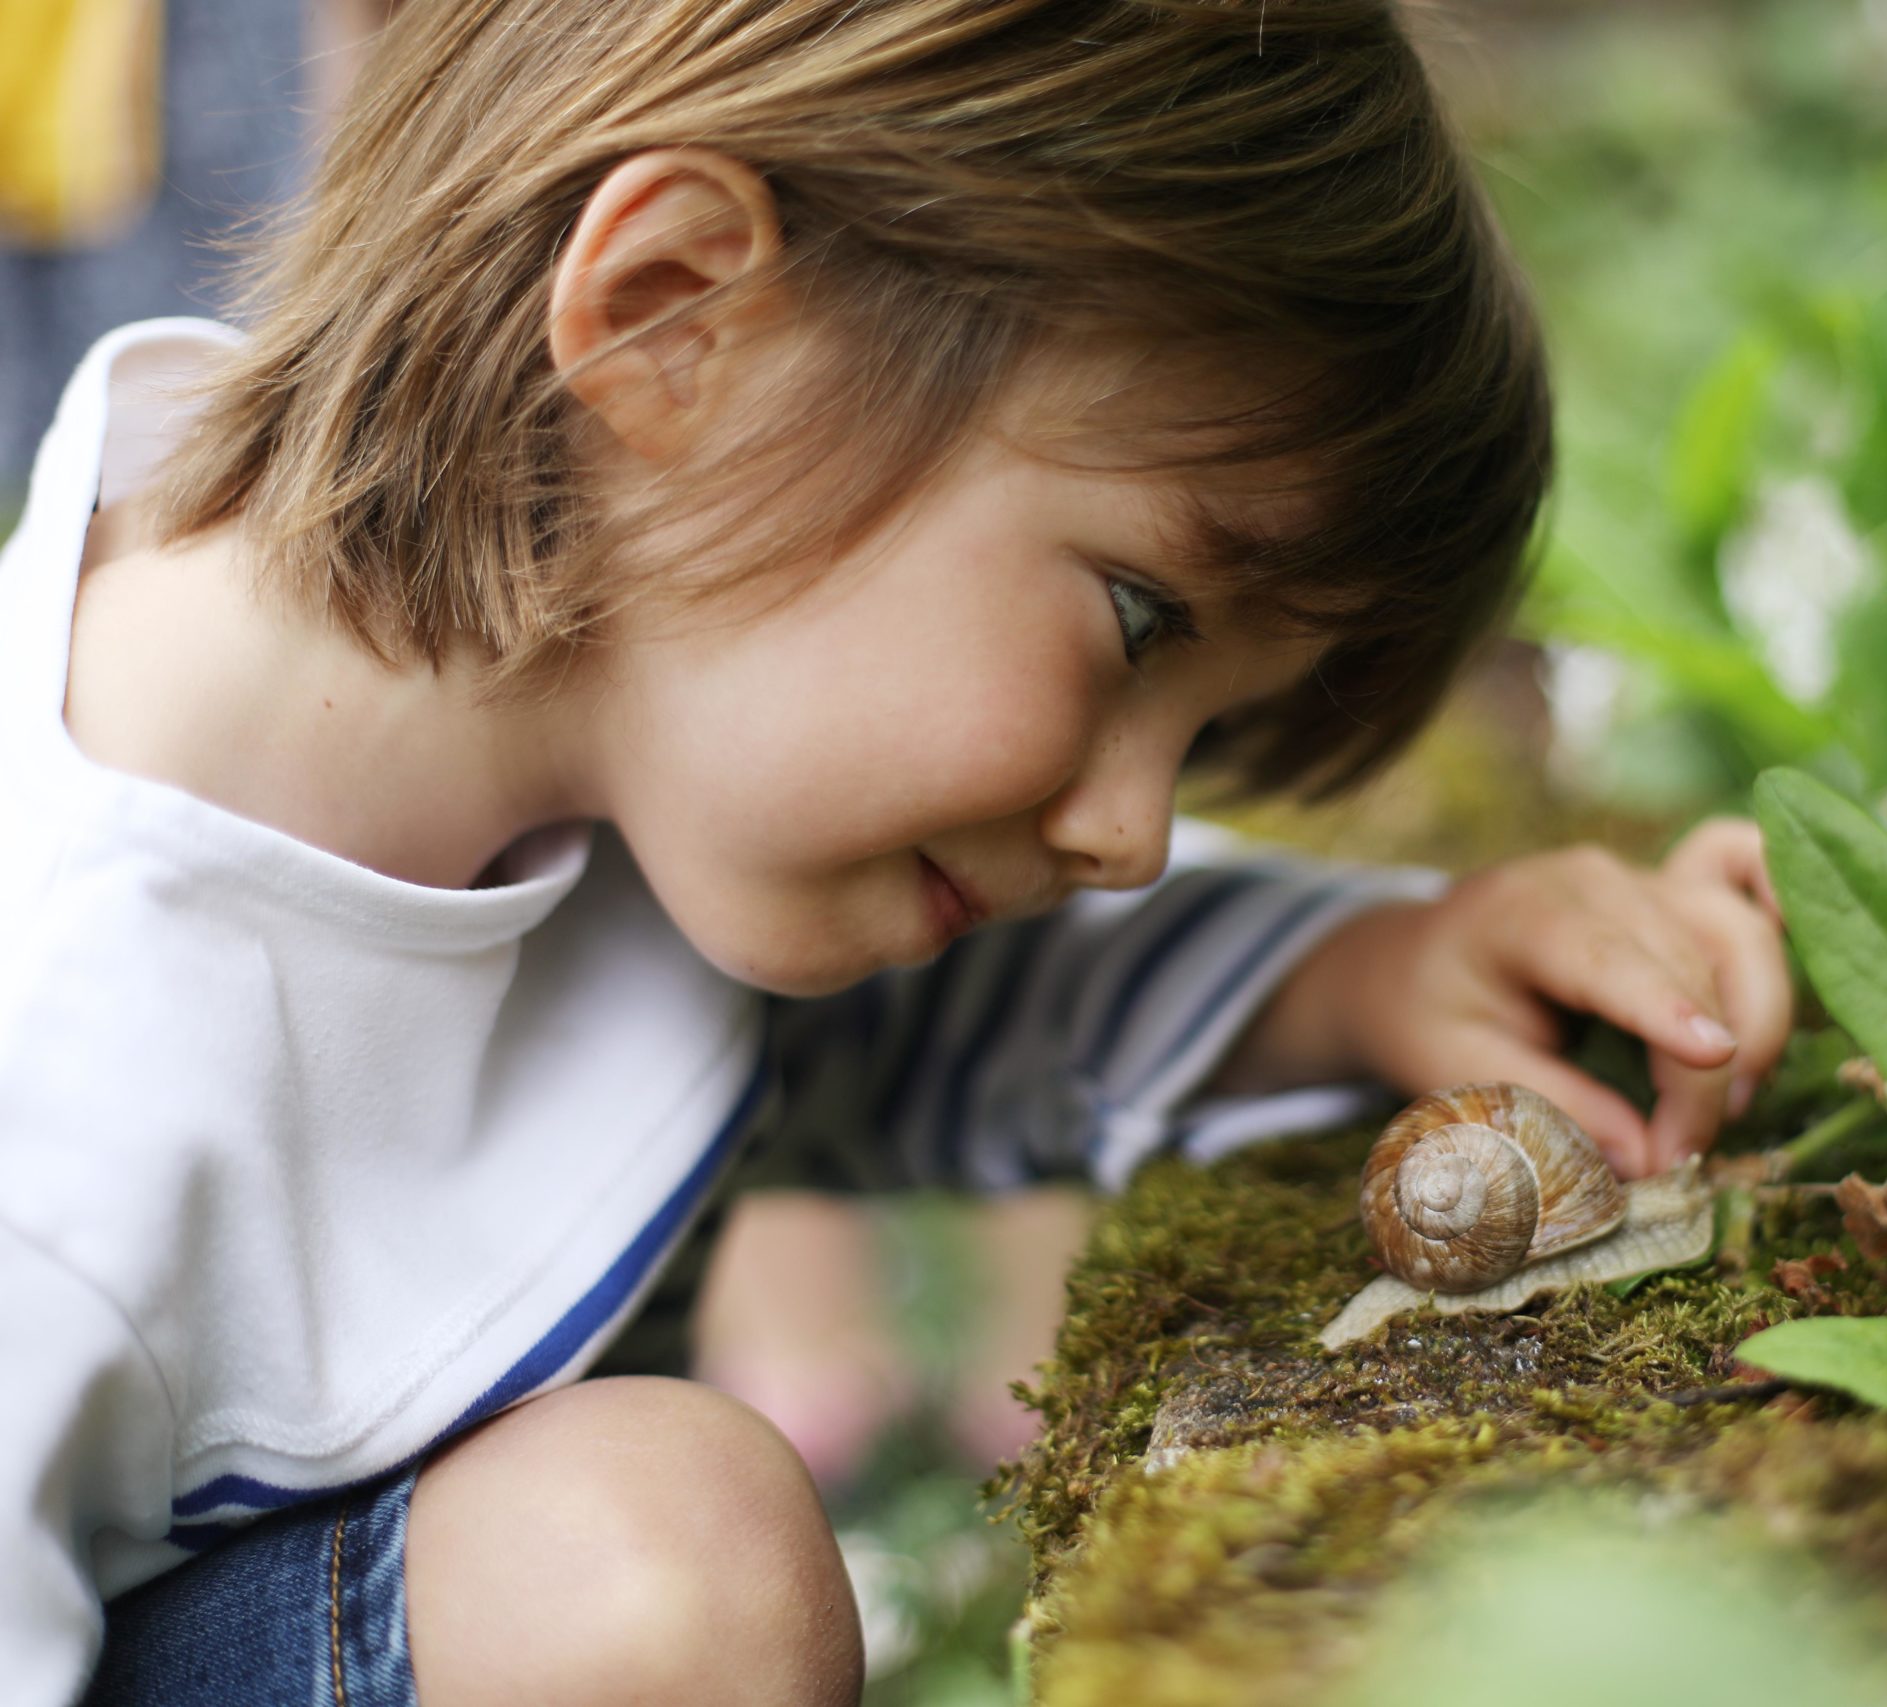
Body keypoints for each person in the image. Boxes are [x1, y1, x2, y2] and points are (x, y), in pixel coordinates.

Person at [0, 1, 1794, 1703]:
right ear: (673, 316)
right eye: (1139, 620)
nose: (1130, 832)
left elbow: (947, 1017)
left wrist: (1377, 970)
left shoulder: (583, 739)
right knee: (651, 1575)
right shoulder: (56, 1099)